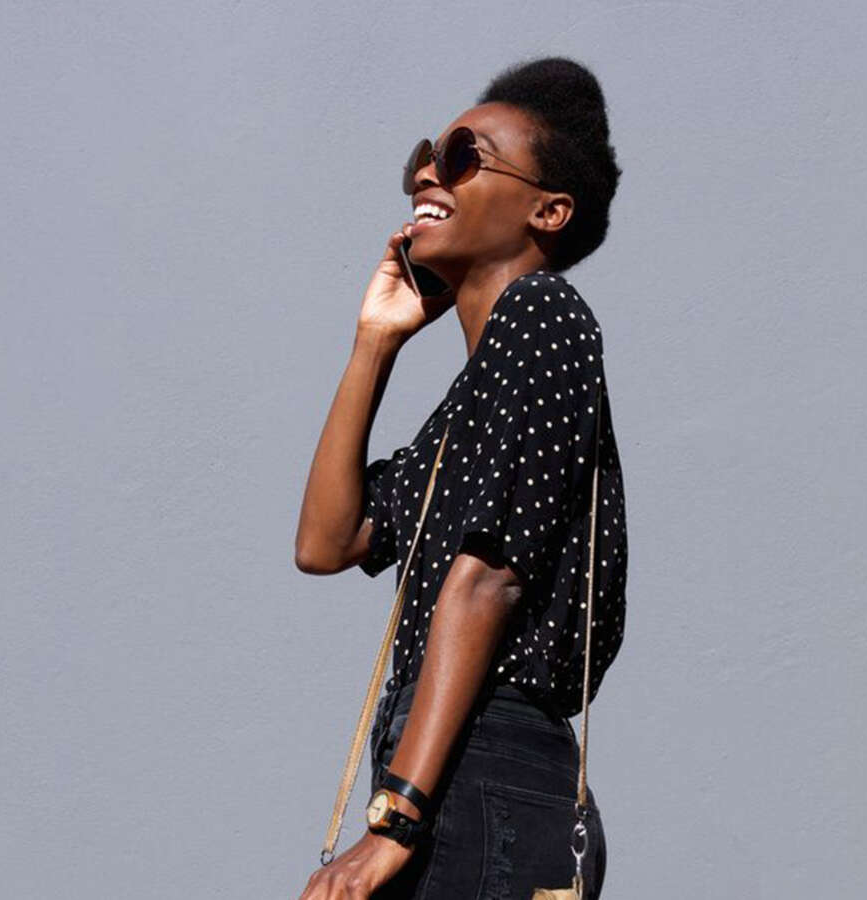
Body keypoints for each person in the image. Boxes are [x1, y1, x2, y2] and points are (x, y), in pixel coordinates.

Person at [293, 56, 627, 900]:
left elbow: (489, 579)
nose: (428, 174)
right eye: (425, 157)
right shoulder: (462, 413)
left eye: (463, 156)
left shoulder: (543, 313)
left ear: (548, 210)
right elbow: (328, 543)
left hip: (483, 773)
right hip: (447, 772)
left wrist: (394, 822)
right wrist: (375, 343)